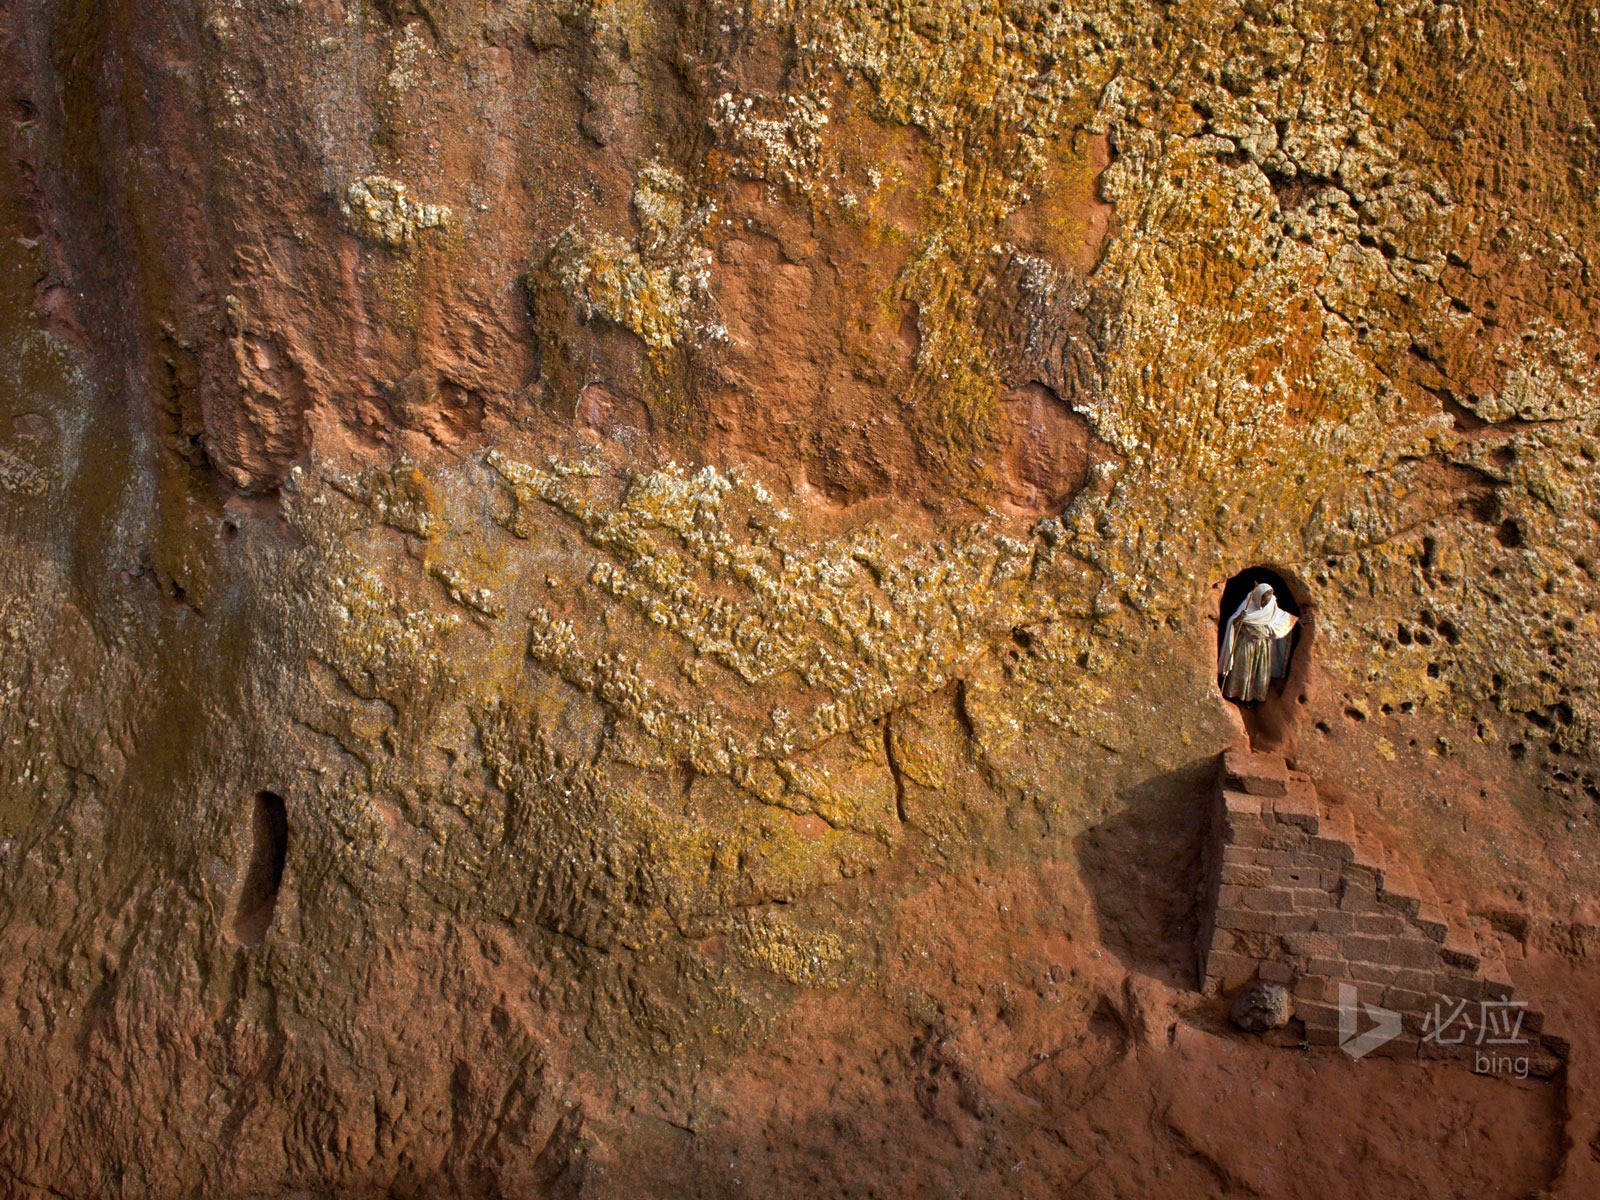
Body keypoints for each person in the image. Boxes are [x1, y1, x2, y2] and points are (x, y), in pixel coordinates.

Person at [1218, 582, 1297, 703]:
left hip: (1262, 647)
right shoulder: (1247, 605)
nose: (1265, 603)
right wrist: (1241, 617)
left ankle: (1252, 699)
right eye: (1263, 600)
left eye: (1267, 600)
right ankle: (1236, 697)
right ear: (1257, 597)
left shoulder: (1271, 606)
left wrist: (1298, 620)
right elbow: (1233, 623)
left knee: (1259, 672)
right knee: (1243, 671)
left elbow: (1284, 618)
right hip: (1246, 645)